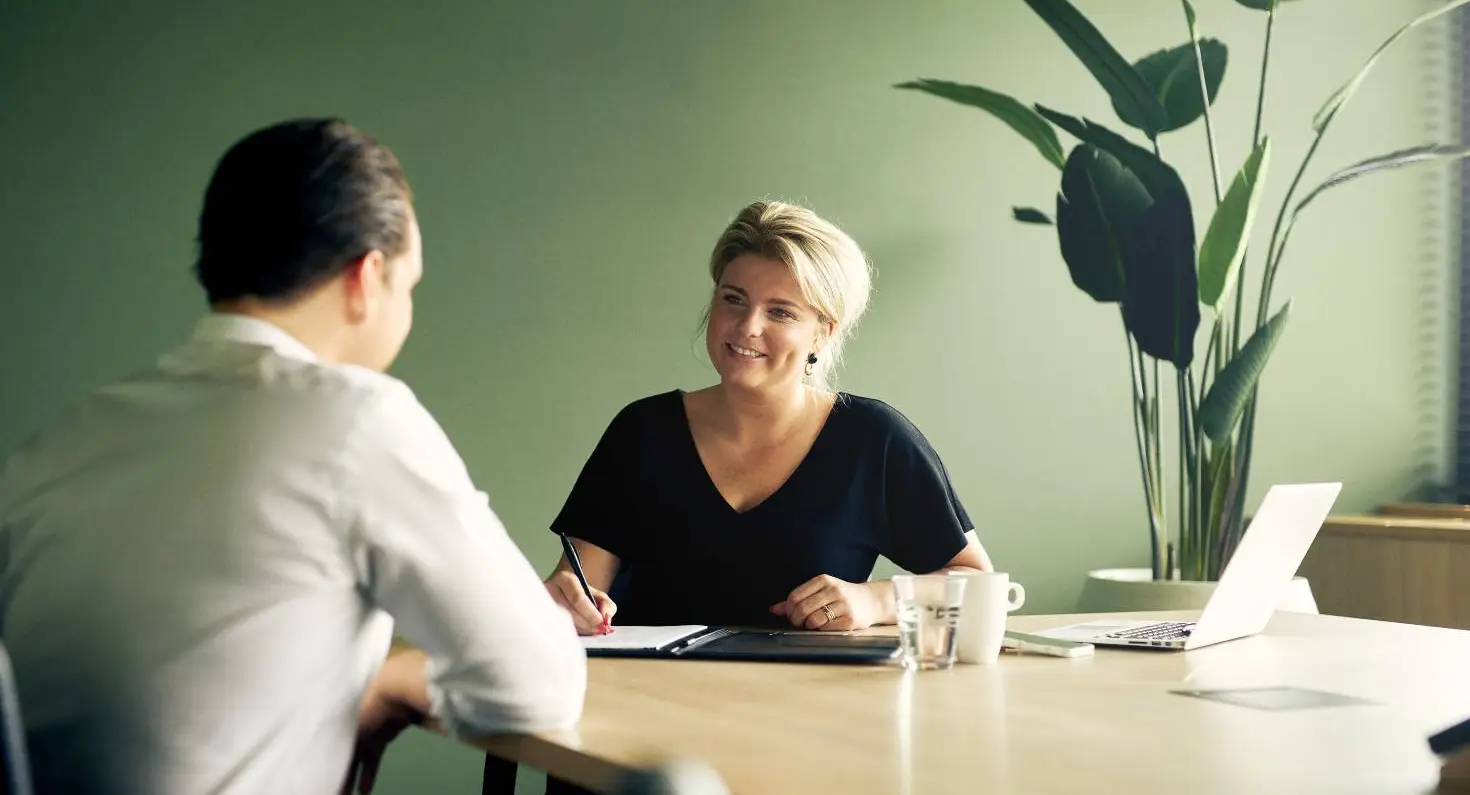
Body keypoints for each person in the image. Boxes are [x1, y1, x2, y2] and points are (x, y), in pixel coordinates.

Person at [0, 118, 587, 795]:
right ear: (366, 278)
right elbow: (539, 680)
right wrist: (392, 679)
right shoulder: (356, 419)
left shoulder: (64, 439)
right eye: (410, 286)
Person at [543, 200, 992, 637]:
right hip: (652, 698)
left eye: (780, 312)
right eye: (733, 299)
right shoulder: (641, 432)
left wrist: (876, 601)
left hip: (812, 704)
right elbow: (580, 589)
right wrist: (567, 605)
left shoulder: (874, 439)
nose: (747, 327)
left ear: (823, 331)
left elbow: (976, 585)